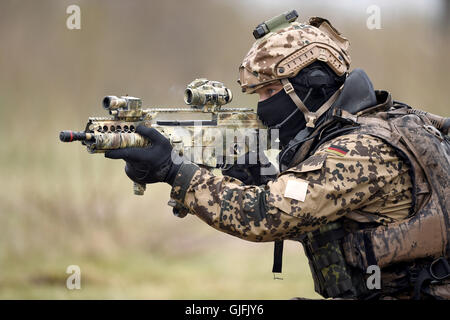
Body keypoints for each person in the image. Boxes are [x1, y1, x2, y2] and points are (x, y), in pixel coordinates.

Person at [104, 12, 450, 300]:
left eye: (271, 91)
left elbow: (266, 215)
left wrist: (175, 172)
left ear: (312, 86)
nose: (263, 106)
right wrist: (263, 178)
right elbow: (321, 214)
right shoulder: (369, 125)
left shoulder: (359, 150)